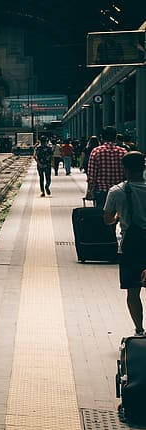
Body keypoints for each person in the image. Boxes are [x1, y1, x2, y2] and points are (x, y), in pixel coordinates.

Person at [104, 151, 146, 336]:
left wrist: (118, 215)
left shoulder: (117, 191)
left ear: (125, 169)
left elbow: (107, 220)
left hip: (131, 246)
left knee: (133, 290)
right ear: (143, 167)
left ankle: (139, 330)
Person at [88, 126, 127, 209]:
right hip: (120, 191)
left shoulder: (96, 151)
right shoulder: (123, 152)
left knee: (102, 216)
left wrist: (90, 191)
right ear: (115, 137)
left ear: (102, 137)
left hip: (101, 191)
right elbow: (127, 173)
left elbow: (92, 175)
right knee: (120, 215)